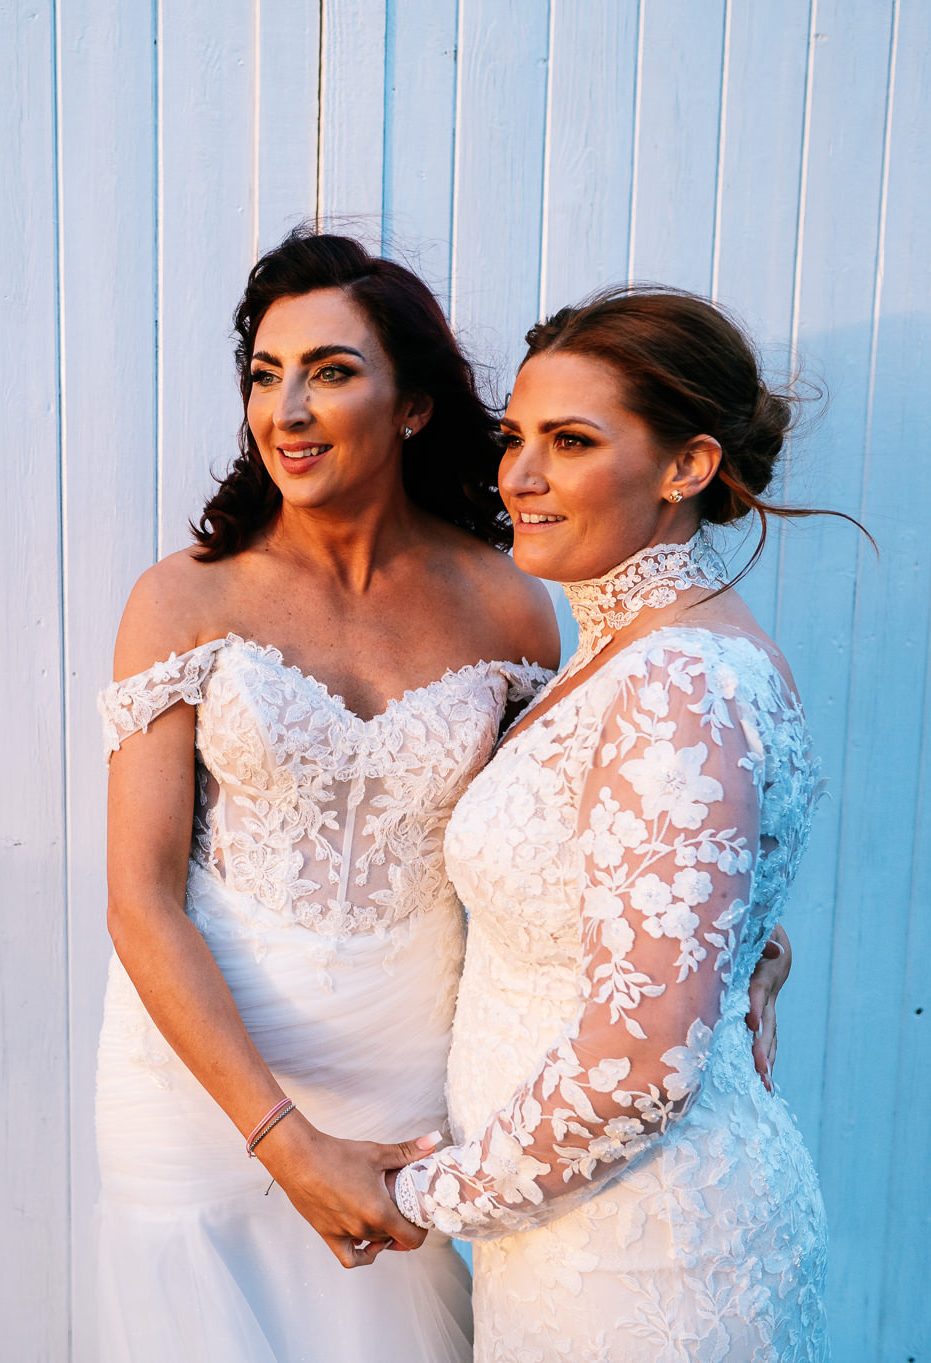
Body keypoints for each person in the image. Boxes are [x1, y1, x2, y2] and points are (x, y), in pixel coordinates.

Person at [93, 234, 791, 1360]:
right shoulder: (180, 601)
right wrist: (279, 1137)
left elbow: (584, 819)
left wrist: (737, 925)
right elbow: (139, 900)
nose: (288, 408)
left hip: (408, 1079)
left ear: (413, 404)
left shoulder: (509, 602)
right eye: (264, 375)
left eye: (328, 369)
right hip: (202, 1079)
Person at [386, 286, 845, 1360]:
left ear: (685, 466)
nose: (520, 475)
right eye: (515, 437)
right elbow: (655, 896)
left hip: (648, 1259)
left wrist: (425, 1193)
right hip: (568, 1236)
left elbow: (641, 1057)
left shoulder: (679, 675)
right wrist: (750, 951)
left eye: (571, 441)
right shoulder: (620, 652)